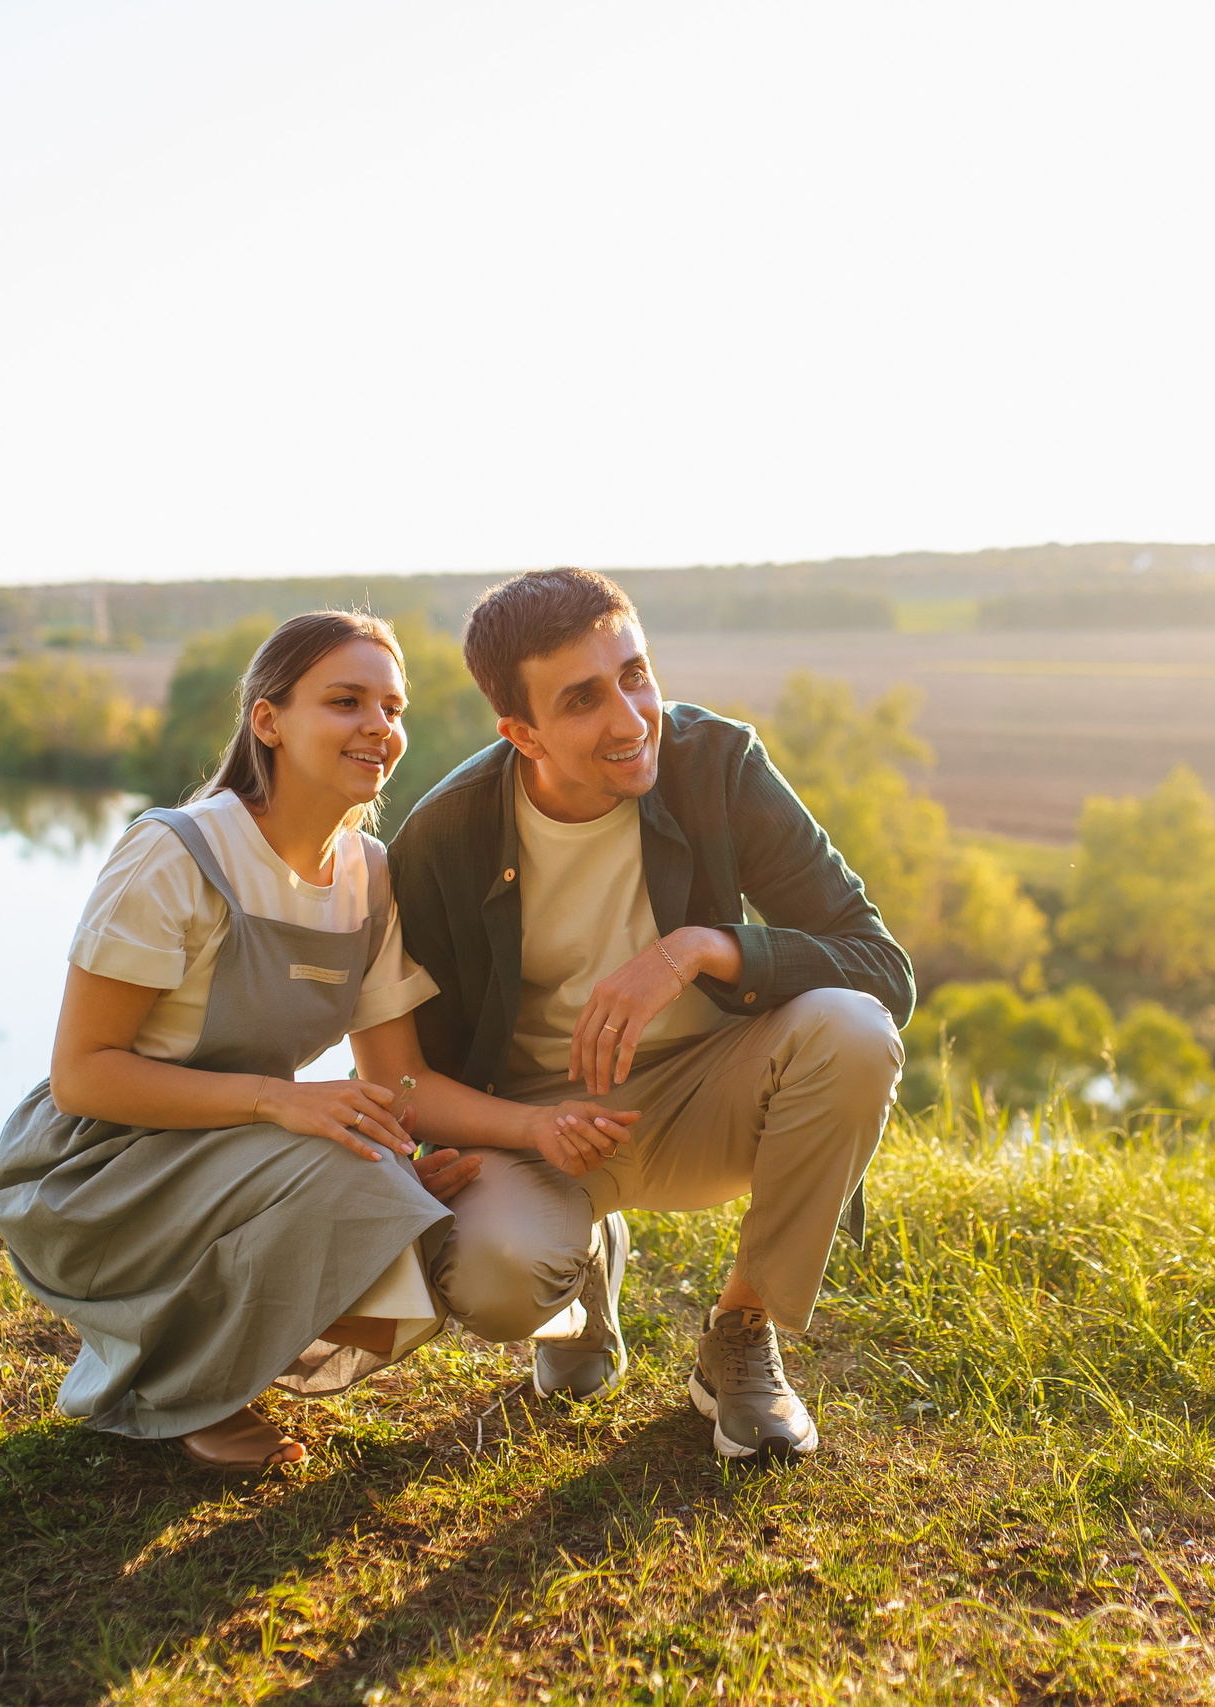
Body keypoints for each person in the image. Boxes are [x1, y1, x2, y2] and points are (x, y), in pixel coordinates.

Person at [0, 610, 627, 1471]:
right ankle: (189, 1389)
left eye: (393, 707)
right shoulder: (175, 854)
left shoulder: (369, 873)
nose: (379, 727)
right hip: (102, 1165)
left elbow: (400, 1083)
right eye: (346, 700)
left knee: (418, 1210)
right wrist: (281, 1100)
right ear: (269, 721)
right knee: (350, 1170)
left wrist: (530, 1133)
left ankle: (579, 1261)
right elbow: (82, 1077)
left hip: (240, 1152)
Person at [388, 568, 911, 1460]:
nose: (631, 718)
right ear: (521, 731)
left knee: (857, 1032)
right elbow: (413, 1072)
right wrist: (439, 1151)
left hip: (718, 1093)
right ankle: (583, 1262)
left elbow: (881, 966)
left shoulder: (717, 763)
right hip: (544, 1125)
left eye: (635, 673)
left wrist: (704, 947)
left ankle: (740, 1334)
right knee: (493, 1279)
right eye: (583, 699)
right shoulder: (445, 836)